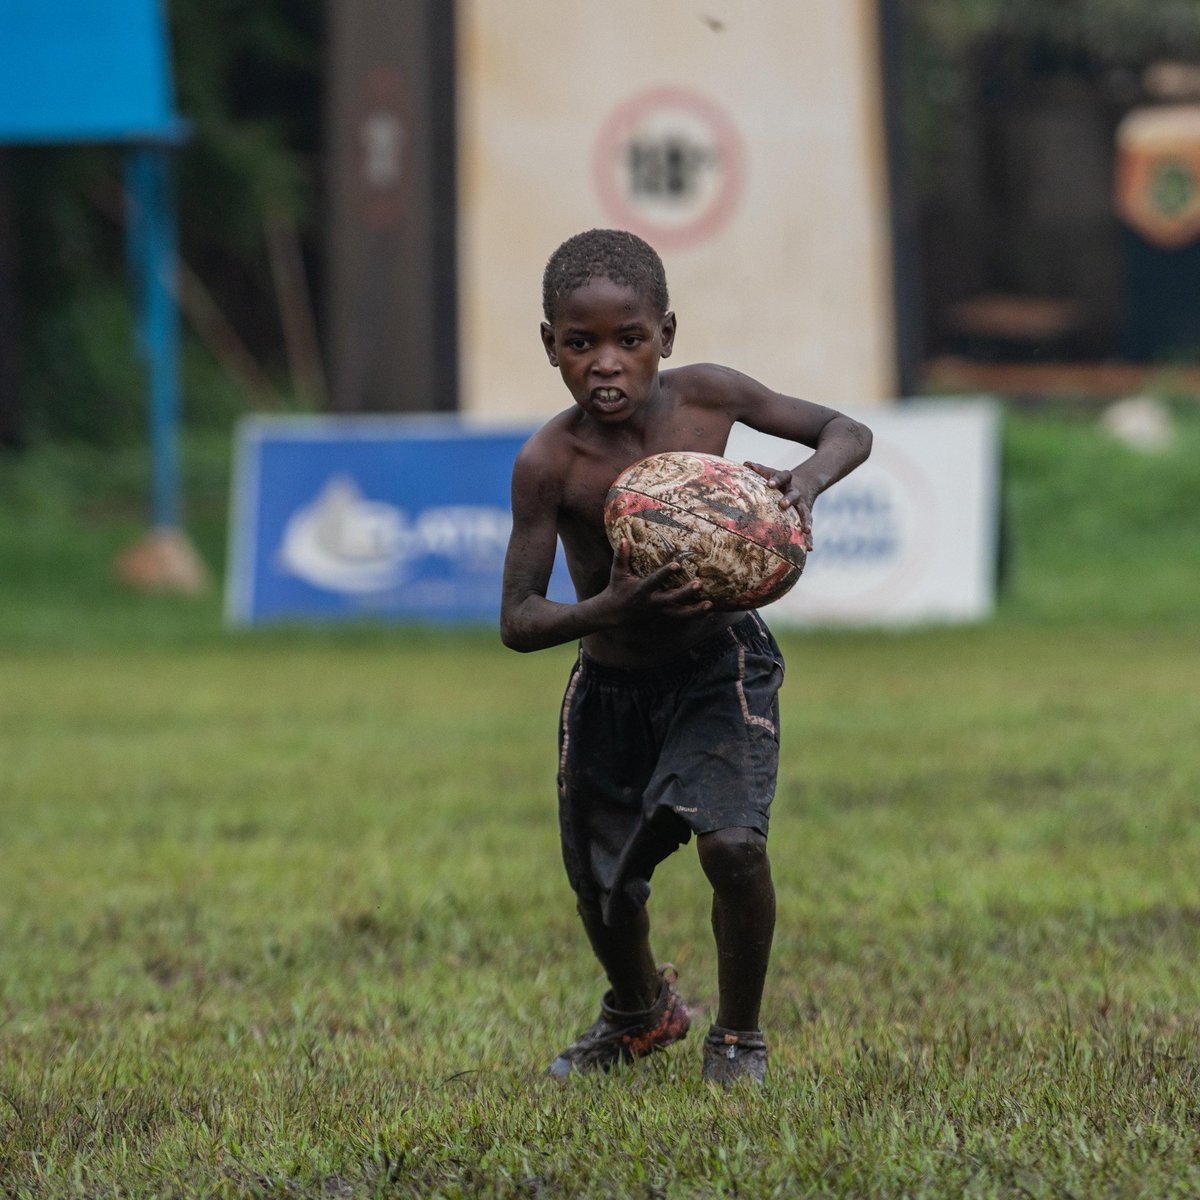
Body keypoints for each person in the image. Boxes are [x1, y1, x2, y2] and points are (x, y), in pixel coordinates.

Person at [500, 229, 872, 1085]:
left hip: (720, 662)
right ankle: (638, 1012)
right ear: (549, 345)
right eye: (579, 343)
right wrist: (610, 606)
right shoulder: (550, 463)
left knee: (733, 847)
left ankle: (738, 1038)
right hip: (611, 684)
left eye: (628, 340)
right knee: (604, 886)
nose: (606, 363)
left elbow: (846, 430)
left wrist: (806, 481)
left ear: (664, 334)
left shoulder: (711, 398)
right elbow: (518, 619)